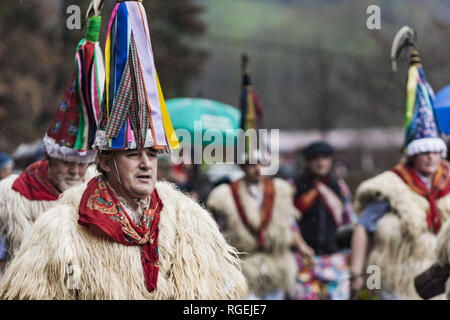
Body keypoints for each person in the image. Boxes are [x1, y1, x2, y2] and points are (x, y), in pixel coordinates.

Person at [0, 0, 247, 299]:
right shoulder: (61, 231)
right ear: (105, 160)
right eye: (132, 154)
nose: (146, 164)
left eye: (152, 154)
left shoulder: (188, 223)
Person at [350, 26, 450, 300]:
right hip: (398, 280)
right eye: (424, 151)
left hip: (440, 282)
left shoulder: (449, 183)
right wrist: (357, 274)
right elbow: (363, 227)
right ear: (413, 154)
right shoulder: (391, 186)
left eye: (435, 151)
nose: (430, 156)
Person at [0, 14, 104, 259]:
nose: (76, 172)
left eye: (82, 164)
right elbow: (25, 258)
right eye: (68, 162)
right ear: (50, 157)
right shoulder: (16, 196)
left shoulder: (97, 187)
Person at [206, 55, 300, 300]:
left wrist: (302, 246)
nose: (256, 169)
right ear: (241, 165)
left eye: (259, 163)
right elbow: (218, 230)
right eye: (250, 164)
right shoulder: (225, 196)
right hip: (244, 266)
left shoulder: (280, 190)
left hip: (276, 265)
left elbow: (290, 224)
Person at [292, 141, 356, 300]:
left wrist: (351, 254)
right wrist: (300, 245)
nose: (321, 163)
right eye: (316, 158)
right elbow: (288, 221)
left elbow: (349, 220)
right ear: (307, 161)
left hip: (334, 258)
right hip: (305, 260)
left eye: (325, 158)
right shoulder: (295, 187)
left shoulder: (338, 187)